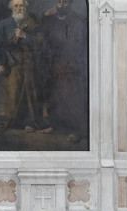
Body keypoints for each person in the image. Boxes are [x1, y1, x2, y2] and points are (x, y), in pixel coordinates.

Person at [0, 0, 49, 133]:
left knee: (31, 94)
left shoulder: (33, 22)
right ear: (12, 7)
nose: (19, 8)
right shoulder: (4, 23)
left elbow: (41, 42)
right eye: (16, 6)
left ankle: (30, 123)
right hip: (13, 65)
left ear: (26, 7)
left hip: (31, 64)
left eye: (22, 5)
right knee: (14, 94)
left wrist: (25, 36)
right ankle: (16, 123)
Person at [40, 0, 88, 143]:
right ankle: (56, 126)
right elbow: (44, 34)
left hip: (72, 65)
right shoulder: (51, 19)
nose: (61, 5)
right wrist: (45, 15)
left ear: (70, 4)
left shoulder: (78, 19)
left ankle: (76, 130)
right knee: (56, 96)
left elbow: (78, 43)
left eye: (65, 2)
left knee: (72, 98)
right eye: (59, 2)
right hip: (55, 63)